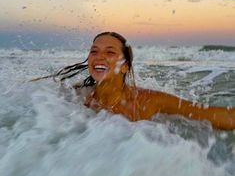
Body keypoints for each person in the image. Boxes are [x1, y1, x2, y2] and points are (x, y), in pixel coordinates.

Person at [33, 31, 235, 130]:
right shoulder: (75, 96)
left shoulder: (148, 101)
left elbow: (207, 114)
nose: (99, 56)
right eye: (94, 51)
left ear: (125, 66)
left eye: (110, 52)